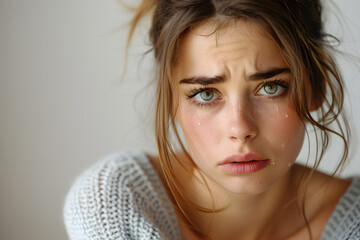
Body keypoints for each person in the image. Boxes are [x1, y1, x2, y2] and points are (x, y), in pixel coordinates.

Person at [63, 0, 360, 239]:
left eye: (271, 87)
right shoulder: (117, 202)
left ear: (317, 87)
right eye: (205, 94)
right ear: (170, 101)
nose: (240, 129)